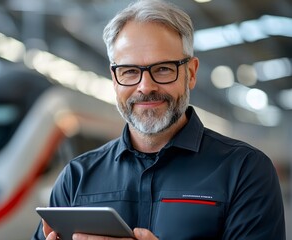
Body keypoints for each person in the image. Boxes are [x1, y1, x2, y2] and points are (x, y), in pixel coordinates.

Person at [32, 0, 286, 239]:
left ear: (191, 73)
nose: (146, 86)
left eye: (163, 69)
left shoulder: (245, 171)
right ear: (114, 78)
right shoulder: (76, 177)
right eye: (130, 71)